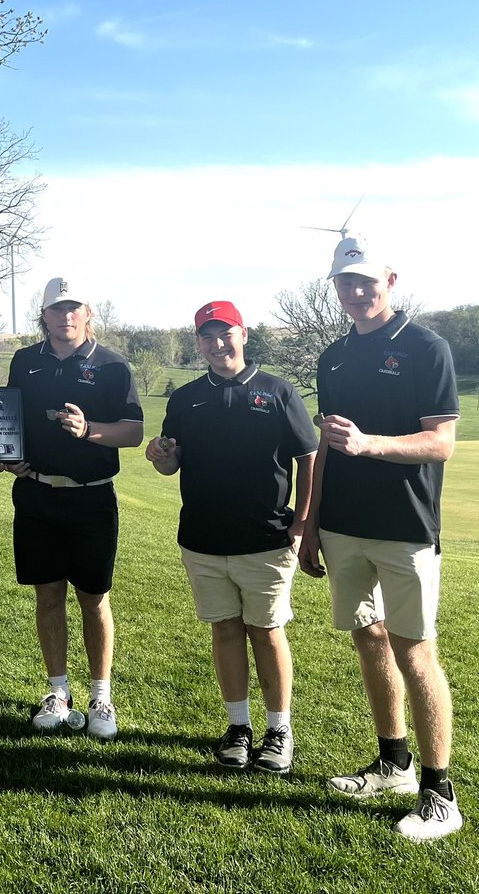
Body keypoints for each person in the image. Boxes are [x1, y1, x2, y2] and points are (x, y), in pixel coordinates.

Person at [299, 235, 463, 841]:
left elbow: (441, 442)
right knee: (369, 639)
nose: (356, 291)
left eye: (366, 280)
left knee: (414, 651)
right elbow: (326, 443)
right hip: (343, 526)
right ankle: (394, 763)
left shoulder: (425, 347)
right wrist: (310, 520)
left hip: (404, 526)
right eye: (345, 282)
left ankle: (440, 794)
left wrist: (371, 445)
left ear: (390, 280)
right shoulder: (334, 356)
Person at [147, 301, 316, 773]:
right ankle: (238, 728)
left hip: (265, 538)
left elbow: (309, 457)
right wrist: (159, 455)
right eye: (207, 336)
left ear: (243, 334)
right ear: (198, 342)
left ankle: (279, 731)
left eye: (225, 333)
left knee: (266, 632)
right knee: (224, 629)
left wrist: (302, 523)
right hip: (202, 539)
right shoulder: (186, 398)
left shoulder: (278, 391)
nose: (217, 343)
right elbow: (171, 463)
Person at [0, 278, 143, 739]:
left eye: (73, 307)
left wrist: (89, 429)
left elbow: (133, 432)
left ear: (87, 312)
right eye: (56, 308)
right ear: (45, 315)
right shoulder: (25, 360)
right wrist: (3, 455)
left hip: (92, 497)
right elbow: (8, 419)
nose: (65, 315)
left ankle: (101, 696)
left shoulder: (112, 365)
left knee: (94, 599)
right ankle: (57, 691)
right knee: (48, 595)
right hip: (35, 493)